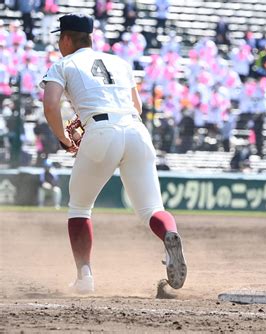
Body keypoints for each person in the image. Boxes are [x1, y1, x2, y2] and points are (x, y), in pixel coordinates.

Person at [40, 14, 187, 294]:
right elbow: (139, 106)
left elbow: (50, 105)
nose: (59, 43)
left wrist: (64, 140)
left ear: (67, 39)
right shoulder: (119, 62)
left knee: (80, 208)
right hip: (136, 131)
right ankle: (169, 235)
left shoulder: (64, 63)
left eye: (60, 37)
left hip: (101, 132)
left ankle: (85, 278)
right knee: (152, 210)